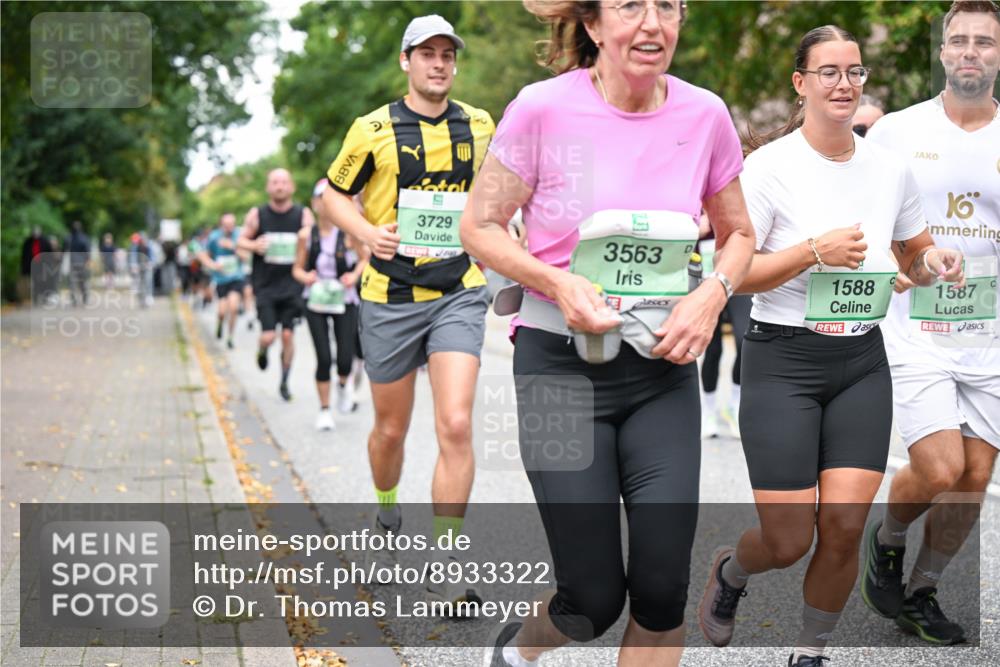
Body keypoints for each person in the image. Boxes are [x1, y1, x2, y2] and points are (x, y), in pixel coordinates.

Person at [460, 2, 755, 665]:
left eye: (668, 7)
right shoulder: (541, 109)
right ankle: (517, 647)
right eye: (629, 6)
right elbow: (478, 227)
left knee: (661, 589)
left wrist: (712, 292)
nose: (652, 24)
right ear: (593, 25)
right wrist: (560, 283)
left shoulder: (704, 114)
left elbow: (737, 233)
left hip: (661, 373)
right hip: (558, 373)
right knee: (590, 600)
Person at [695, 25, 967, 667]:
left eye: (854, 72)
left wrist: (936, 260)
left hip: (860, 362)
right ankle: (732, 571)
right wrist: (812, 252)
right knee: (788, 539)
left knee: (844, 529)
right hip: (783, 359)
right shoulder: (766, 169)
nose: (844, 84)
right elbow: (735, 274)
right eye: (829, 72)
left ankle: (809, 653)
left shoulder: (888, 166)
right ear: (801, 83)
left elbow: (912, 255)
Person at [321, 14, 495, 609]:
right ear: (406, 61)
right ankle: (387, 510)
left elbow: (499, 191)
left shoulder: (480, 124)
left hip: (458, 290)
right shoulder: (371, 129)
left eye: (448, 54)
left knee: (454, 424)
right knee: (390, 430)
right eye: (427, 54)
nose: (439, 63)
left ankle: (445, 559)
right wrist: (367, 233)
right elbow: (332, 195)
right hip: (389, 297)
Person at [861, 0, 999, 646]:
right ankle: (886, 542)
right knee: (941, 466)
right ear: (942, 53)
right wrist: (907, 264)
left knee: (974, 477)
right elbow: (868, 217)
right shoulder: (895, 132)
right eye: (960, 40)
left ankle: (922, 589)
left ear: (998, 56)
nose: (971, 51)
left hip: (989, 335)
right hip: (914, 326)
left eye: (985, 42)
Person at [293, 180, 368, 431]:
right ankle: (324, 409)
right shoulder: (306, 235)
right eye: (320, 199)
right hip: (315, 300)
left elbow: (364, 261)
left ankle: (343, 385)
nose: (325, 204)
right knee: (324, 357)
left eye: (330, 199)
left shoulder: (348, 233)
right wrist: (306, 277)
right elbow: (296, 269)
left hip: (344, 300)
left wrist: (353, 277)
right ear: (314, 204)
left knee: (345, 357)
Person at [239, 169, 315, 401]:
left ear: (291, 186)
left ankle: (284, 381)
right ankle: (262, 349)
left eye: (283, 182)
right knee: (269, 336)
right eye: (274, 182)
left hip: (293, 286)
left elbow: (316, 243)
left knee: (288, 336)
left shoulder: (303, 215)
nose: (279, 186)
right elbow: (240, 241)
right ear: (268, 187)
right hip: (266, 286)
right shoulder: (258, 214)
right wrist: (254, 246)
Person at [697, 213, 753, 439]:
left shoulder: (736, 196)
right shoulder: (695, 195)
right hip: (705, 278)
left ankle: (734, 405)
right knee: (712, 348)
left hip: (735, 278)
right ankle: (708, 409)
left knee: (744, 340)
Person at [199, 213, 246, 350]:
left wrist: (232, 247)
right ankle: (220, 324)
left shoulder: (240, 235)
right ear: (221, 225)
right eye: (226, 226)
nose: (229, 228)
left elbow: (245, 257)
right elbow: (203, 255)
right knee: (221, 311)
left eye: (232, 225)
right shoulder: (214, 237)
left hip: (236, 277)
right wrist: (213, 265)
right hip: (221, 279)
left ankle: (230, 337)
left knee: (234, 308)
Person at [20, 226, 54, 304]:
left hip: (43, 266)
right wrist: (23, 267)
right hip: (31, 266)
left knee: (44, 281)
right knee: (34, 282)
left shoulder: (45, 242)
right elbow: (24, 256)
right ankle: (35, 298)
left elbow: (50, 255)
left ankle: (45, 297)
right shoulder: (28, 242)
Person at [65, 220, 91, 306]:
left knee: (74, 282)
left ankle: (76, 299)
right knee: (81, 281)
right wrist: (88, 260)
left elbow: (65, 249)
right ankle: (83, 297)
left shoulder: (70, 237)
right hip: (80, 262)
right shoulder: (83, 237)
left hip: (74, 262)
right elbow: (87, 250)